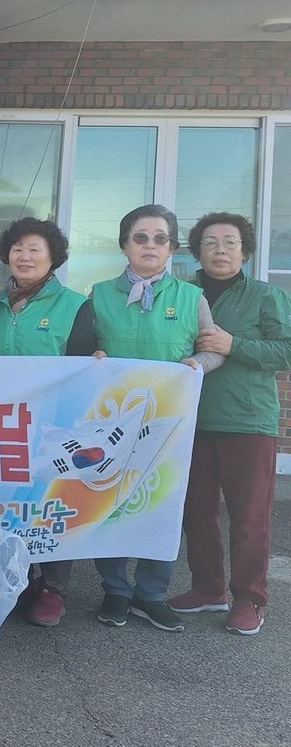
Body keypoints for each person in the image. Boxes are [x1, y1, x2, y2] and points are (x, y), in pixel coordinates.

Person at [89, 204, 224, 632]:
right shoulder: (98, 295)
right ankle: (115, 589)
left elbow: (214, 350)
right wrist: (93, 356)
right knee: (111, 501)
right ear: (124, 245)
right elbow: (83, 348)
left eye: (160, 238)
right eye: (141, 237)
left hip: (170, 423)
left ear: (171, 248)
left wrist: (197, 365)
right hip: (113, 422)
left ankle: (150, 593)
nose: (150, 245)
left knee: (162, 504)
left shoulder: (191, 297)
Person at [167, 213, 291, 635]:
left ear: (245, 250)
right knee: (196, 510)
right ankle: (208, 588)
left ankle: (249, 598)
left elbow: (286, 350)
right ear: (197, 251)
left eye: (230, 242)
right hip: (190, 418)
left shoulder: (265, 295)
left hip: (247, 420)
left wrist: (233, 344)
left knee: (249, 516)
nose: (220, 250)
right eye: (210, 243)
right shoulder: (182, 295)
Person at [0, 217, 96, 627]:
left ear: (53, 257)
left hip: (54, 424)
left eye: (35, 249)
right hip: (2, 423)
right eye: (18, 248)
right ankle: (15, 578)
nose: (25, 256)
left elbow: (83, 367)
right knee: (10, 500)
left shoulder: (75, 305)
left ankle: (52, 588)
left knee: (51, 500)